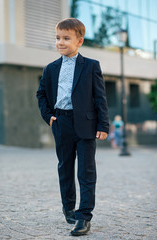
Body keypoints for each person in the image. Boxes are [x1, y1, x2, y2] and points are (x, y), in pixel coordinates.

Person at [36, 18, 109, 236]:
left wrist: (103, 124)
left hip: (86, 125)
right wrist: (48, 116)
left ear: (79, 41)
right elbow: (40, 94)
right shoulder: (50, 68)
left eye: (66, 38)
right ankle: (68, 208)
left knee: (86, 172)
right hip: (61, 123)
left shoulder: (91, 66)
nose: (60, 42)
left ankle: (83, 217)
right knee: (65, 169)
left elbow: (100, 97)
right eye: (57, 38)